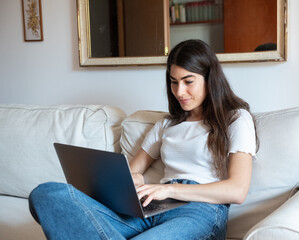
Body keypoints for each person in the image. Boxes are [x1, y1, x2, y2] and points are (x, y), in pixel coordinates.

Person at [28, 39, 257, 240]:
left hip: (200, 211)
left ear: (210, 79)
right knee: (46, 194)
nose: (179, 92)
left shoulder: (235, 119)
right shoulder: (166, 125)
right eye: (173, 81)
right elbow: (132, 172)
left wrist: (169, 190)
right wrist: (132, 179)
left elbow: (237, 190)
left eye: (188, 81)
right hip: (151, 208)